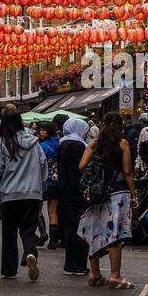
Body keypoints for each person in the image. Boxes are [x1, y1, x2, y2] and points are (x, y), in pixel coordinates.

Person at [78, 111, 136, 290]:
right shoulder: (123, 143)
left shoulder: (94, 144)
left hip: (96, 195)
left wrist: (94, 180)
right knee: (114, 235)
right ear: (120, 126)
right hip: (117, 194)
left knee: (95, 231)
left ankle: (94, 274)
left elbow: (81, 166)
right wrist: (134, 195)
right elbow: (127, 171)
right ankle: (115, 276)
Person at [0, 110, 46, 281]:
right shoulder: (34, 143)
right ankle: (30, 253)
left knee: (9, 232)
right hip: (32, 193)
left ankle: (9, 270)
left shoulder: (1, 144)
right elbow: (43, 164)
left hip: (9, 193)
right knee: (29, 229)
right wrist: (41, 186)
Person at [55, 118, 92, 276]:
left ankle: (69, 265)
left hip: (64, 190)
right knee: (80, 227)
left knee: (69, 228)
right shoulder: (78, 145)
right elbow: (82, 168)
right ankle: (79, 265)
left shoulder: (62, 144)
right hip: (77, 191)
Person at [38, 121, 62, 248]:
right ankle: (53, 241)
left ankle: (43, 233)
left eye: (43, 130)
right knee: (53, 211)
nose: (41, 132)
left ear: (48, 131)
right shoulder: (59, 143)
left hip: (42, 180)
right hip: (56, 180)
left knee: (38, 209)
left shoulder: (42, 146)